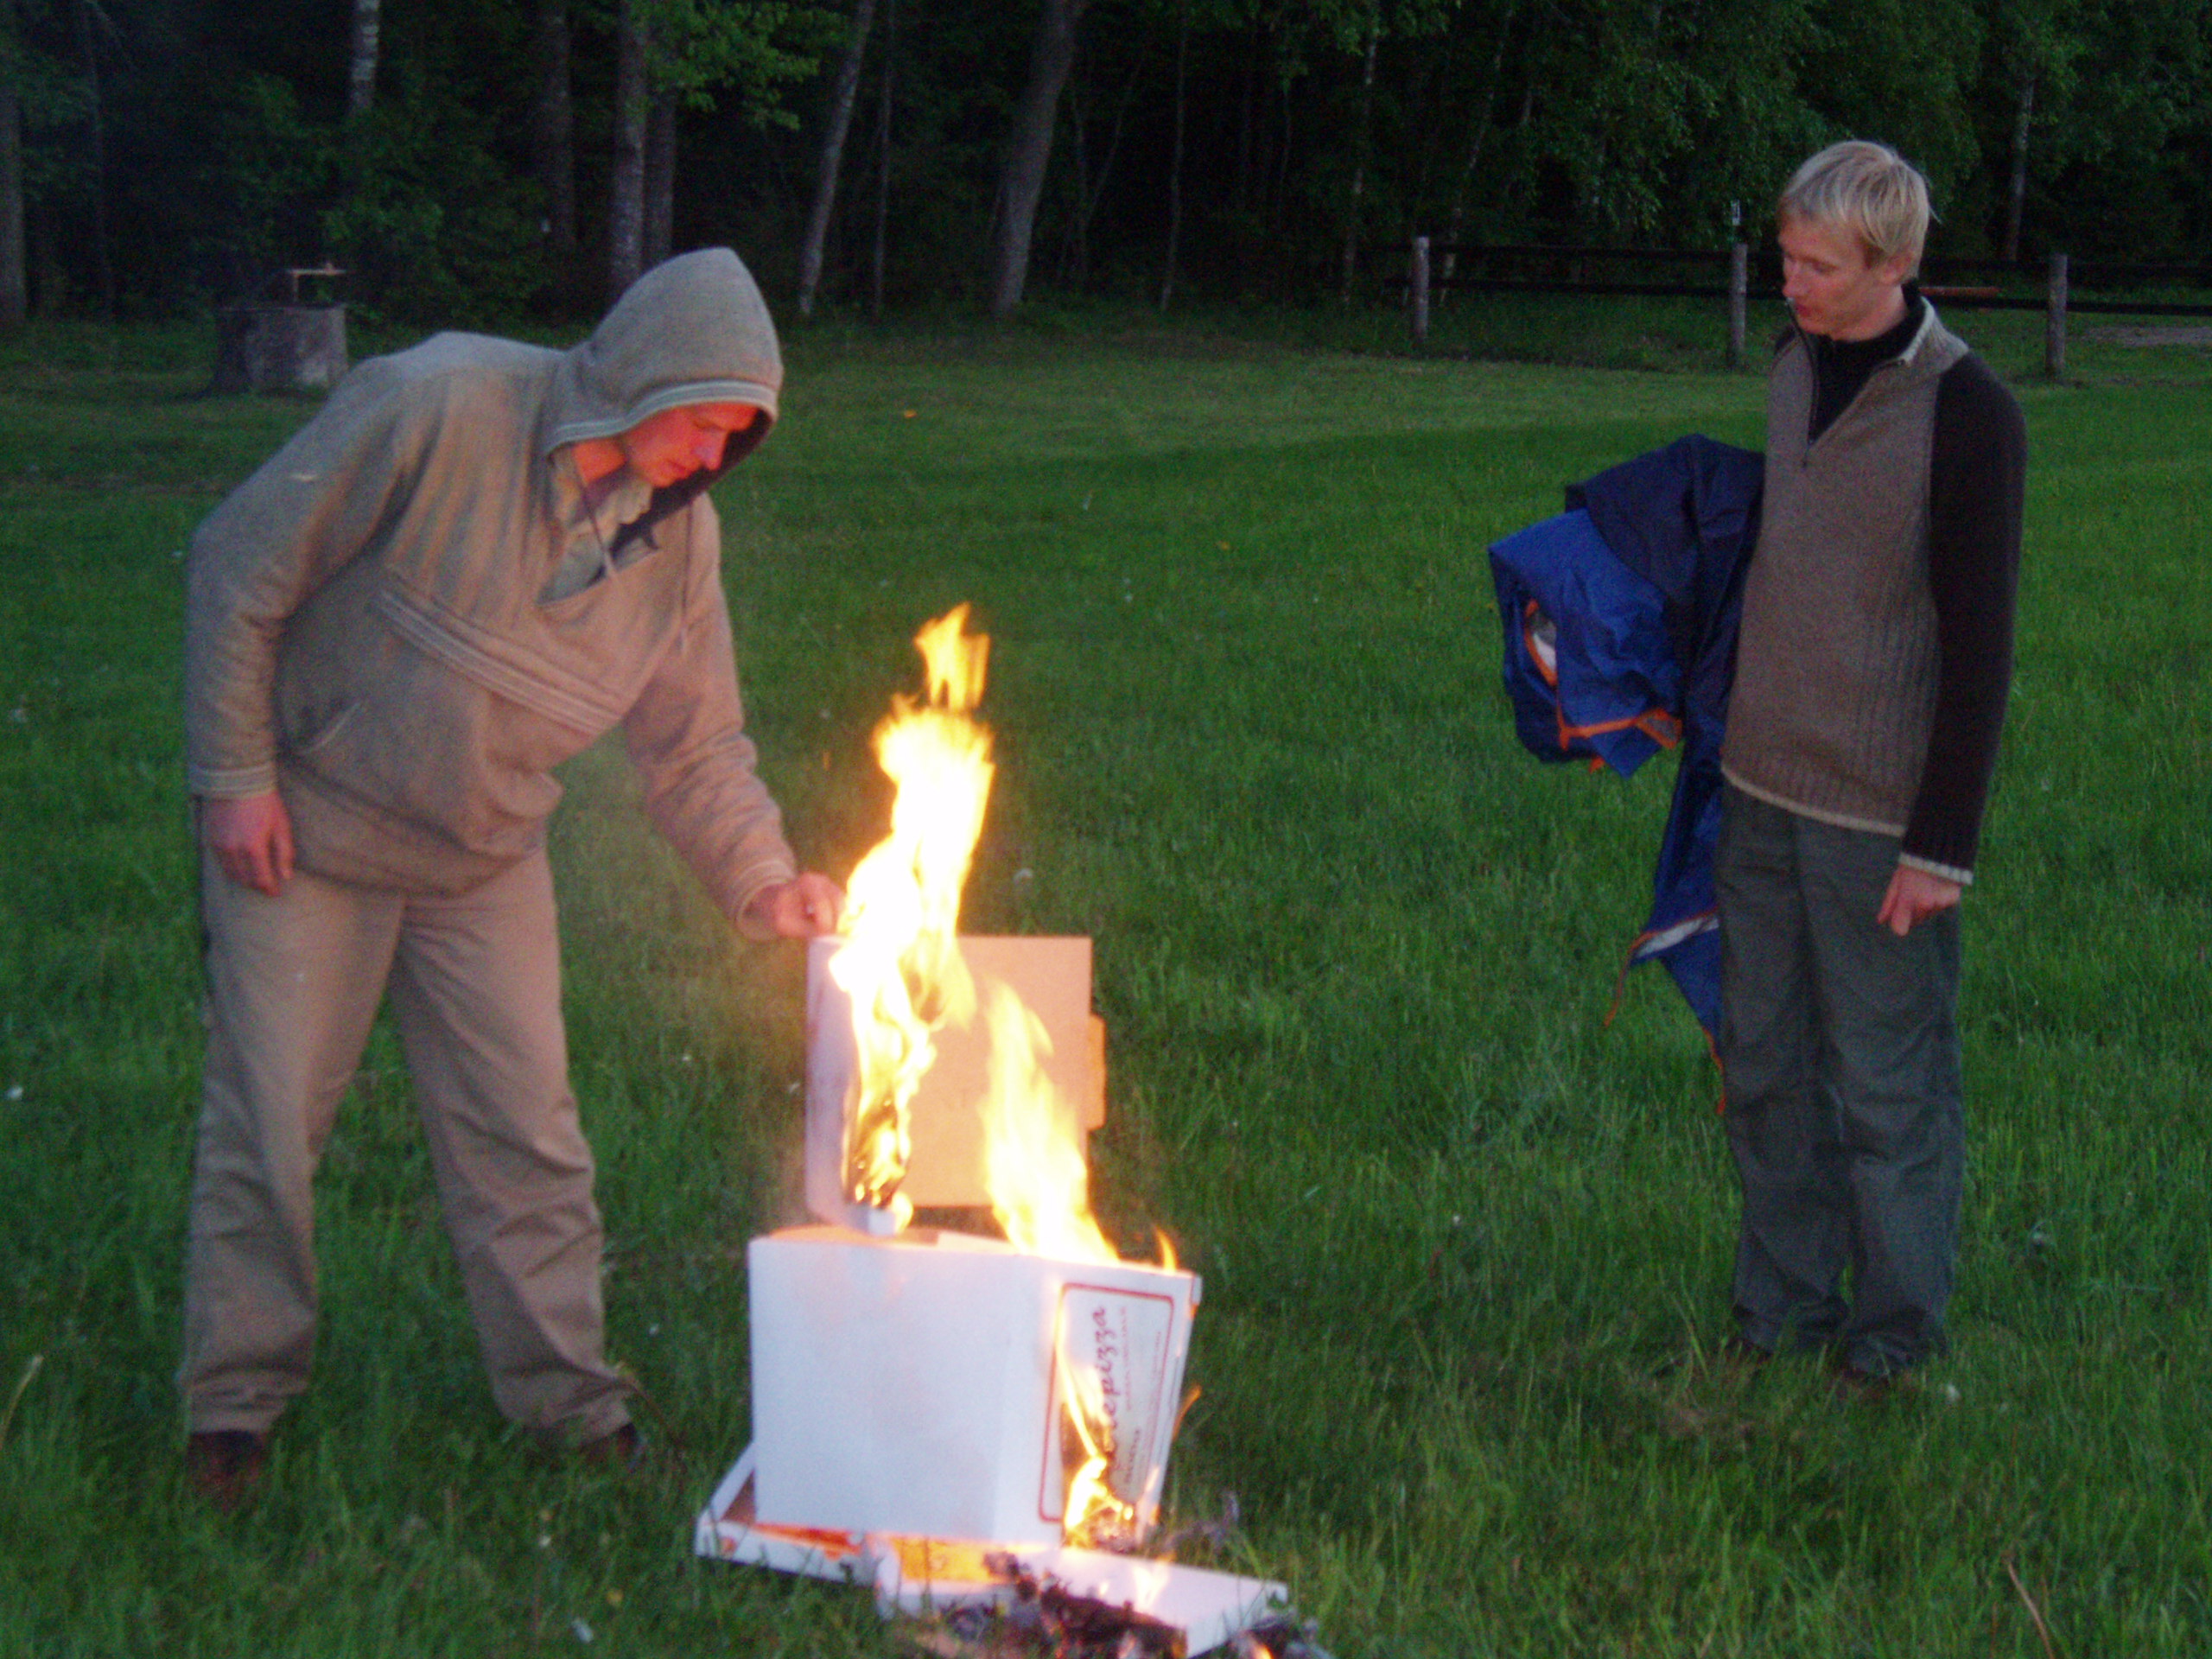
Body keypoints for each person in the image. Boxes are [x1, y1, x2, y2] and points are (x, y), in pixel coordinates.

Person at [179, 247, 843, 1507]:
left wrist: (764, 880)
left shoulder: (678, 546)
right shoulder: (434, 407)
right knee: (268, 1125)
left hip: (483, 863)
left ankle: (570, 1407)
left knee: (527, 1137)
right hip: (308, 831)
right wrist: (234, 774)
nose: (711, 459)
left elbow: (695, 745)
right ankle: (234, 1407)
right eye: (704, 421)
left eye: (735, 439)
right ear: (645, 371)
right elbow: (238, 565)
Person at [1716, 142, 2026, 1395]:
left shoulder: (1968, 411)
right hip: (1757, 790)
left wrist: (1938, 847)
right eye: (1785, 257)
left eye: (1817, 266)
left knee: (1887, 1093)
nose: (1789, 282)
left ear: (1895, 265)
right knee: (1767, 1071)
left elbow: (1980, 646)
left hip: (1874, 816)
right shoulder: (1792, 369)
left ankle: (1894, 1336)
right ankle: (1778, 1309)